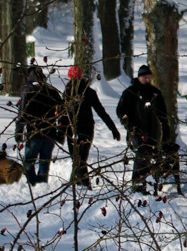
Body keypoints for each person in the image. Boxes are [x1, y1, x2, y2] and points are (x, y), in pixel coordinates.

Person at [116, 64, 172, 194]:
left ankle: (149, 185)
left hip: (153, 131)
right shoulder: (130, 92)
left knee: (151, 157)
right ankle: (138, 186)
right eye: (144, 77)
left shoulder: (155, 93)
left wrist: (166, 133)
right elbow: (120, 110)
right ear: (139, 77)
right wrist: (127, 123)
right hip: (136, 131)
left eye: (149, 77)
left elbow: (163, 115)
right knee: (141, 155)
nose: (147, 79)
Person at [63, 65, 120, 187]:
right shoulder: (88, 92)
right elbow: (101, 112)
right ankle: (77, 183)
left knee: (77, 159)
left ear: (69, 77)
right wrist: (113, 128)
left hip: (72, 130)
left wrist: (60, 131)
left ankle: (81, 184)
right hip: (86, 129)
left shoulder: (68, 92)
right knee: (81, 158)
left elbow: (63, 114)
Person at [14, 66, 66, 186]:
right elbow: (63, 114)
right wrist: (61, 133)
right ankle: (42, 185)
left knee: (28, 161)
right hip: (50, 133)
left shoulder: (28, 92)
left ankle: (32, 184)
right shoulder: (52, 92)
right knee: (44, 162)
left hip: (34, 133)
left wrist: (19, 132)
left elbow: (22, 114)